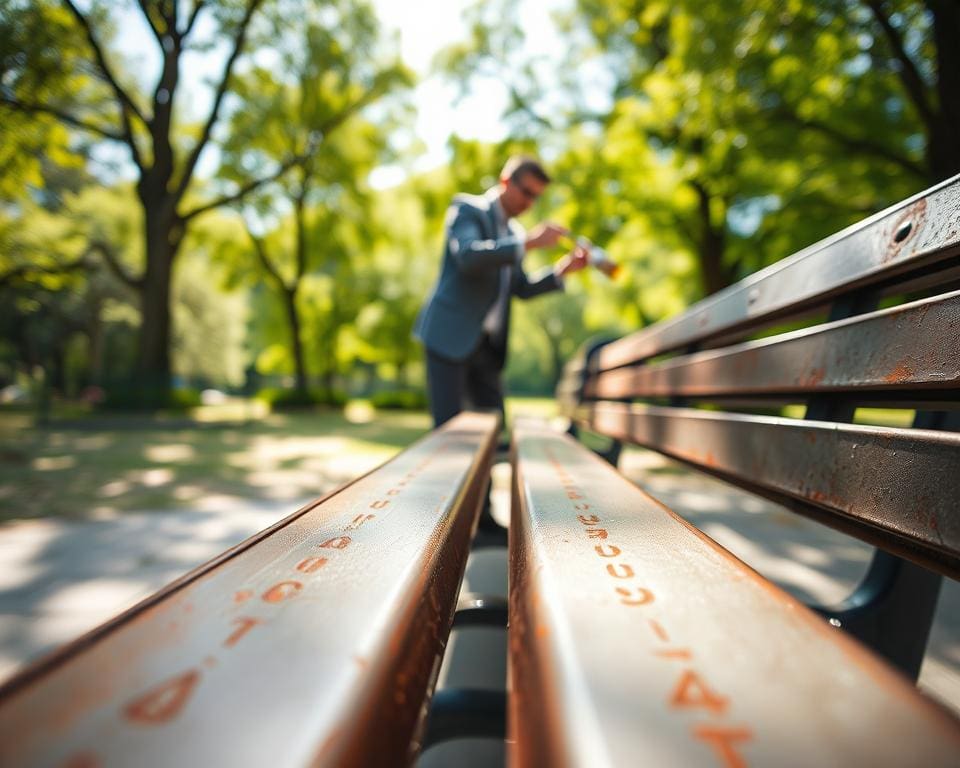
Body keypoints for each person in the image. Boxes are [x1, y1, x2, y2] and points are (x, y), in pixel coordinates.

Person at [414, 155, 588, 428]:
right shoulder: (468, 209)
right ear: (505, 181)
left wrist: (561, 271)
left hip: (487, 349)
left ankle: (488, 473)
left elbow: (519, 288)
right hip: (449, 336)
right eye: (526, 192)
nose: (529, 203)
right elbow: (469, 256)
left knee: (493, 430)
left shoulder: (514, 231)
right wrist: (527, 243)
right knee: (449, 433)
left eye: (536, 197)